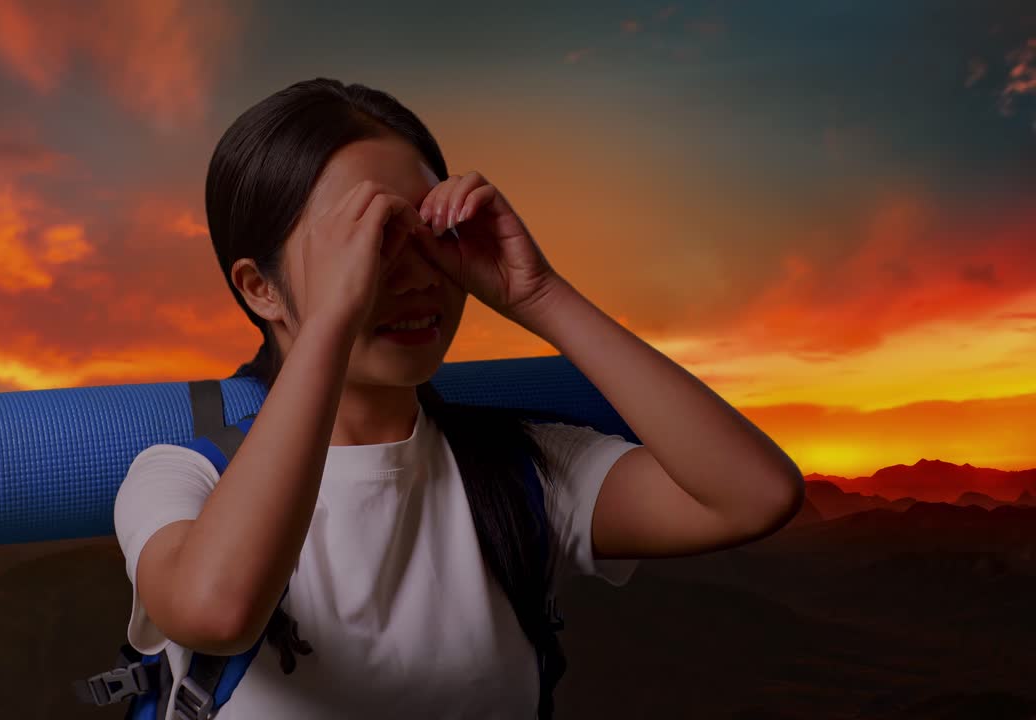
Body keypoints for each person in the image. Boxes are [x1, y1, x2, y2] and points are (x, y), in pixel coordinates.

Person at [114, 77, 805, 719]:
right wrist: (333, 317)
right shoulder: (182, 478)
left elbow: (757, 496)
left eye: (431, 234)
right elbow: (219, 611)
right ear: (260, 288)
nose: (416, 277)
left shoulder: (521, 472)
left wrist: (539, 295)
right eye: (368, 243)